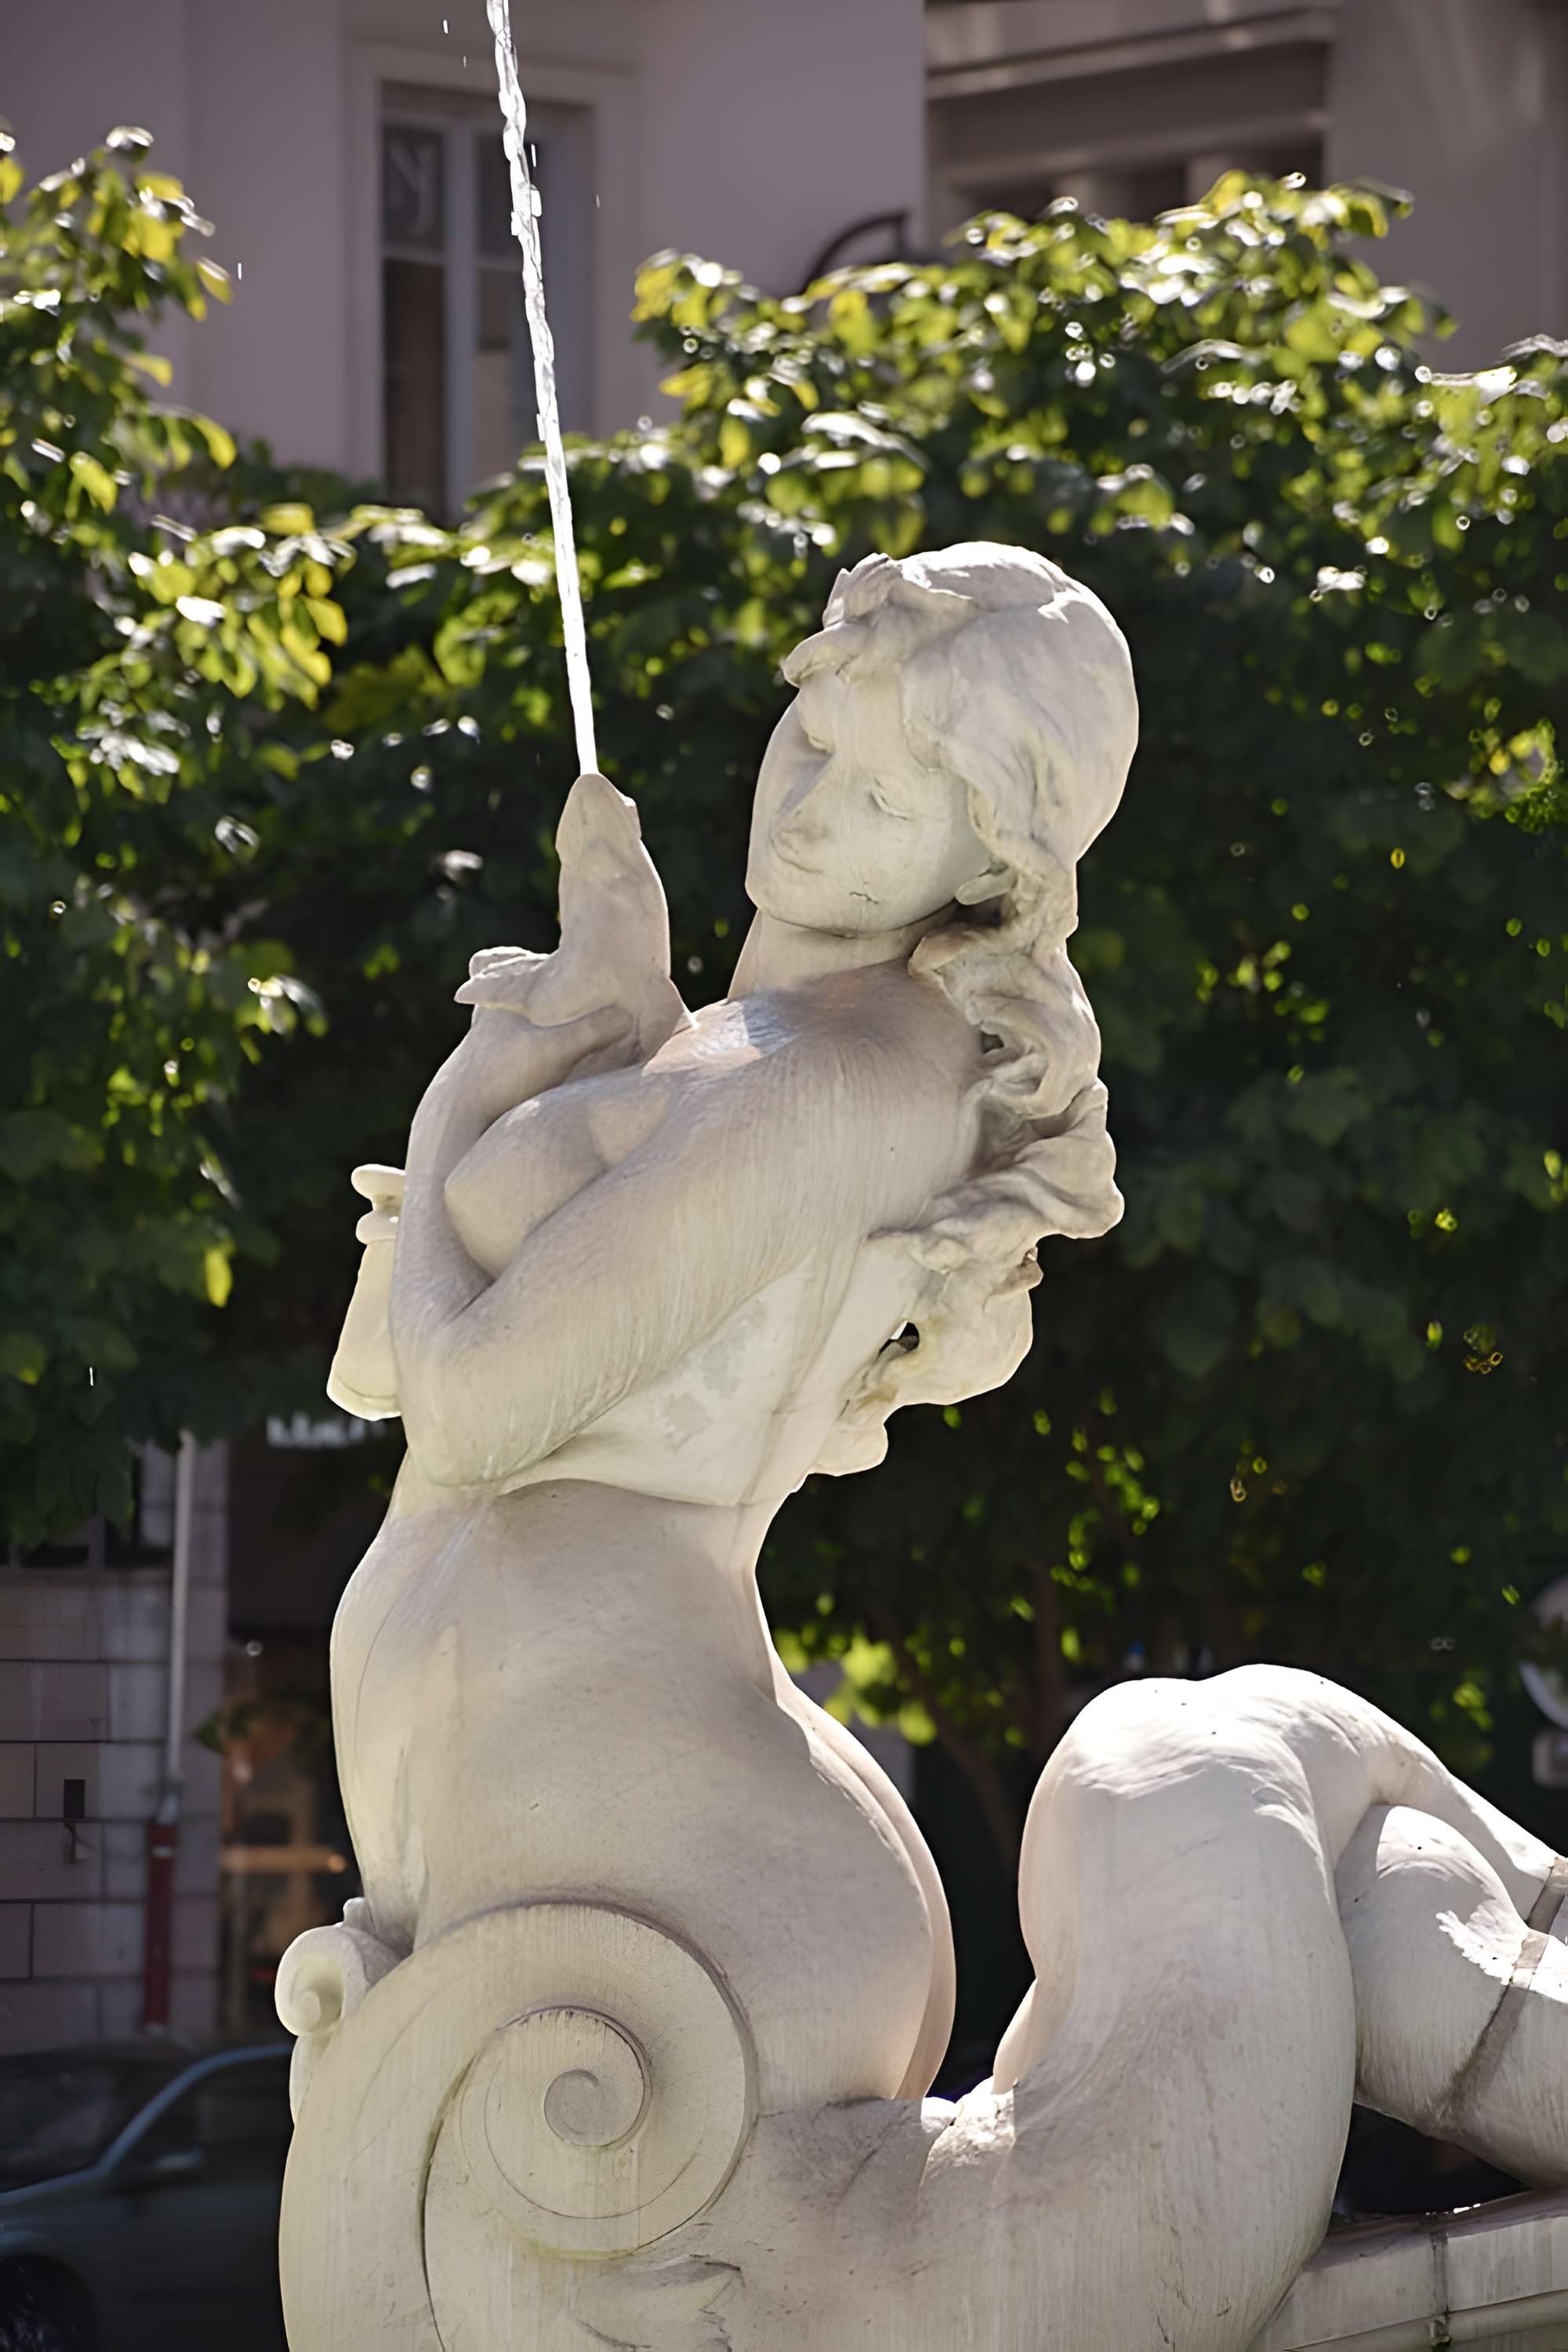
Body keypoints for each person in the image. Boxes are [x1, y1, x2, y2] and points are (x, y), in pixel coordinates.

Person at [279, 546, 1568, 2352]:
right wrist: (598, 1019)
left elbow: (481, 1403)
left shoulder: (854, 1076)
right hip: (601, 1953)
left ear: (990, 870)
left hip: (701, 1972)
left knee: (1173, 1776)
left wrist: (466, 1097)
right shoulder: (727, 1042)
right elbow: (390, 1375)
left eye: (888, 798)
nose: (809, 805)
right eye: (815, 730)